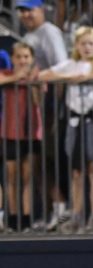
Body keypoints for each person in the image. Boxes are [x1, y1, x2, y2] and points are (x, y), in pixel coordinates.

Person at [40, 26, 93, 233]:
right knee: (76, 171)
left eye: (90, 43)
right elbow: (44, 75)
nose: (86, 47)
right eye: (82, 43)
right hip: (74, 120)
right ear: (76, 45)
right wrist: (67, 78)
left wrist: (87, 77)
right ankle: (76, 214)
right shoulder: (70, 65)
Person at [18, 0, 71, 232]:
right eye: (22, 10)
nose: (26, 15)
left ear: (42, 10)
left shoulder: (49, 32)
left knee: (47, 158)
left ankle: (61, 207)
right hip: (33, 105)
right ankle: (52, 210)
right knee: (36, 159)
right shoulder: (30, 35)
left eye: (30, 9)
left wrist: (57, 109)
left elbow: (61, 68)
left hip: (49, 105)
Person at [0, 42, 43, 232]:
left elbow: (38, 101)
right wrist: (17, 77)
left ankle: (26, 218)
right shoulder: (7, 74)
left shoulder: (38, 76)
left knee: (27, 177)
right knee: (11, 177)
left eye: (26, 56)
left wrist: (33, 83)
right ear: (12, 59)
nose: (23, 60)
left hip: (33, 132)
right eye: (19, 57)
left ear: (32, 58)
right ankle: (12, 217)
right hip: (10, 131)